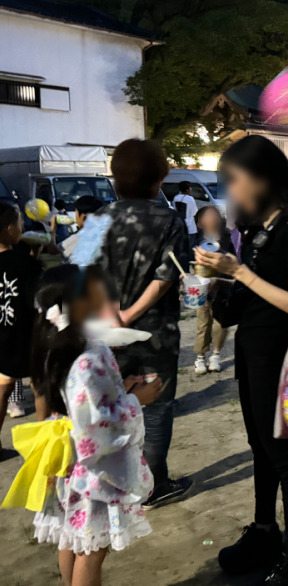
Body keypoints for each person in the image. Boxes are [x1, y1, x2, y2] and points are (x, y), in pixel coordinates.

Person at [195, 135, 288, 585]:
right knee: (259, 447)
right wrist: (216, 282)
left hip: (280, 356)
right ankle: (266, 530)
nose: (231, 192)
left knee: (283, 454)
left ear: (262, 179)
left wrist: (239, 271)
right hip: (251, 351)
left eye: (235, 180)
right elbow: (242, 301)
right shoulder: (253, 230)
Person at [22, 264, 161, 585]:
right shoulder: (87, 358)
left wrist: (121, 388)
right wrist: (136, 400)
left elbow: (75, 405)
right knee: (91, 551)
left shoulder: (56, 346)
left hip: (69, 461)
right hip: (92, 472)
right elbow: (94, 426)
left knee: (72, 538)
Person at [95, 139, 192, 510]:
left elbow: (87, 271)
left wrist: (111, 313)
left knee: (111, 404)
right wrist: (131, 315)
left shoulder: (100, 217)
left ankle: (113, 481)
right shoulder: (169, 219)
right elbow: (167, 276)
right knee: (156, 408)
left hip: (105, 332)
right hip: (156, 334)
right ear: (159, 179)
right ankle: (153, 485)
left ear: (116, 178)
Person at [0, 203, 41, 449]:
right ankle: (44, 442)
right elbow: (37, 299)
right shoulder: (23, 262)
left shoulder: (23, 260)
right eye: (19, 224)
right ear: (8, 229)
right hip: (25, 334)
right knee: (40, 385)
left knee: (3, 387)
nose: (22, 228)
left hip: (2, 335)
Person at [193, 205, 232, 375]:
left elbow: (234, 261)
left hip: (223, 286)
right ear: (200, 223)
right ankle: (200, 358)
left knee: (221, 324)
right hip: (202, 289)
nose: (213, 219)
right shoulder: (194, 241)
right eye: (208, 216)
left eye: (215, 216)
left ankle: (216, 355)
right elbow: (188, 262)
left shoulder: (227, 238)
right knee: (203, 323)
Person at [61, 195, 104, 260]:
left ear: (83, 217)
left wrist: (52, 230)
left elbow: (53, 250)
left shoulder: (77, 240)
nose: (75, 218)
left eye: (76, 214)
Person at [173, 180, 199, 248]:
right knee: (191, 245)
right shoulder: (190, 199)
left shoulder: (176, 198)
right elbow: (195, 212)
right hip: (190, 226)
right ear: (188, 189)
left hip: (179, 224)